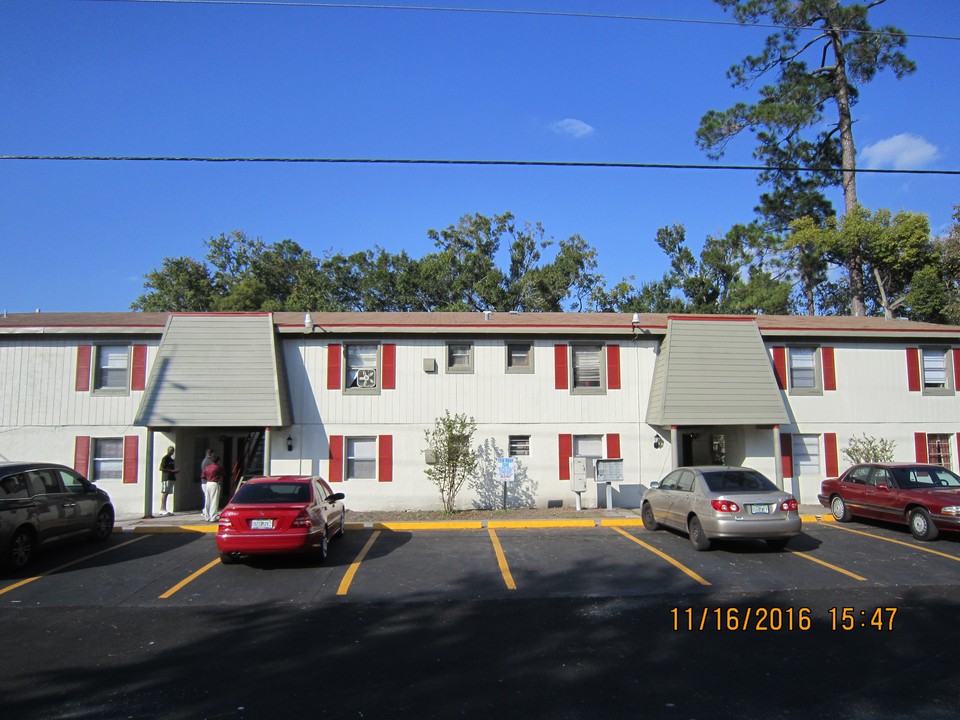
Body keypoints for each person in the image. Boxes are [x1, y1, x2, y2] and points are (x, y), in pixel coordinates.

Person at [201, 455, 224, 522]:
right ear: (218, 461)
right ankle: (213, 516)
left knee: (207, 500)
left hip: (208, 483)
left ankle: (206, 516)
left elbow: (203, 476)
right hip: (215, 483)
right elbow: (223, 473)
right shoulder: (218, 467)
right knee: (214, 500)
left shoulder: (207, 467)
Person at [157, 446, 179, 516]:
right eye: (171, 450)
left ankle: (164, 509)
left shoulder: (171, 460)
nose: (172, 452)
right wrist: (172, 470)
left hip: (171, 478)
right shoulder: (165, 458)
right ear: (168, 450)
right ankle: (162, 509)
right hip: (166, 478)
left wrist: (175, 471)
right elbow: (161, 468)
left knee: (167, 493)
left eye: (173, 450)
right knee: (165, 493)